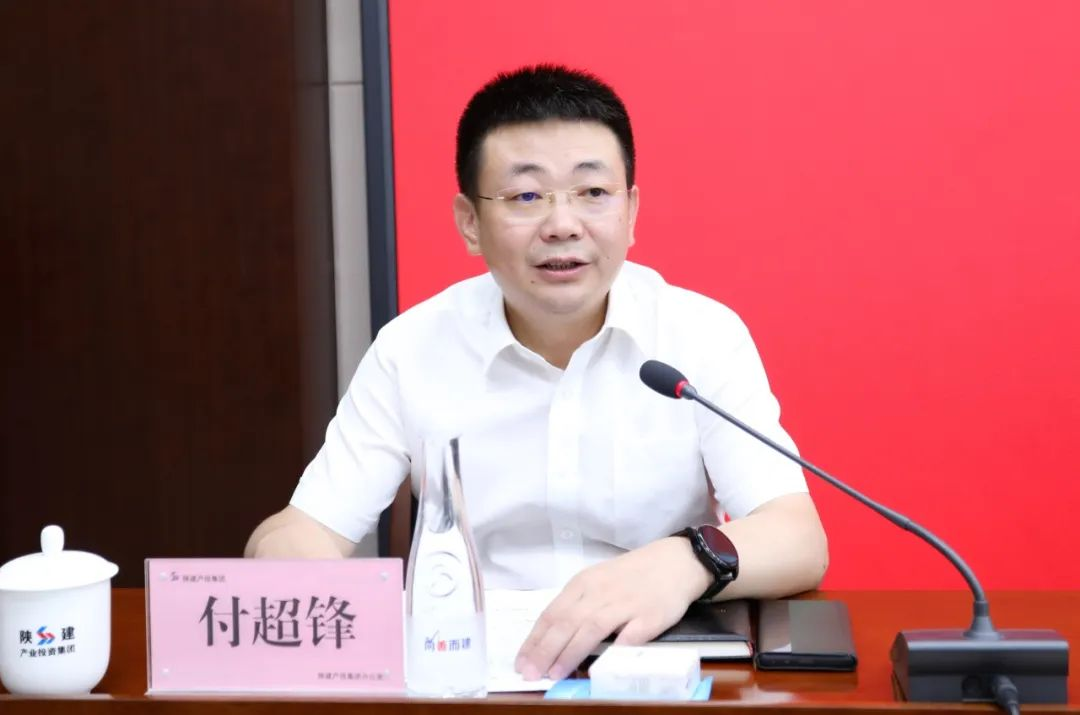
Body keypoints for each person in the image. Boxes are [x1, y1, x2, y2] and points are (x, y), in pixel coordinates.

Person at [245, 64, 828, 682]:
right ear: (470, 222)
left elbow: (798, 539)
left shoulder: (700, 335)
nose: (562, 224)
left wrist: (683, 562)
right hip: (471, 679)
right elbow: (299, 531)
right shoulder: (412, 349)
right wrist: (298, 571)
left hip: (655, 674)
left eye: (593, 192)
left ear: (631, 212)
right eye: (526, 197)